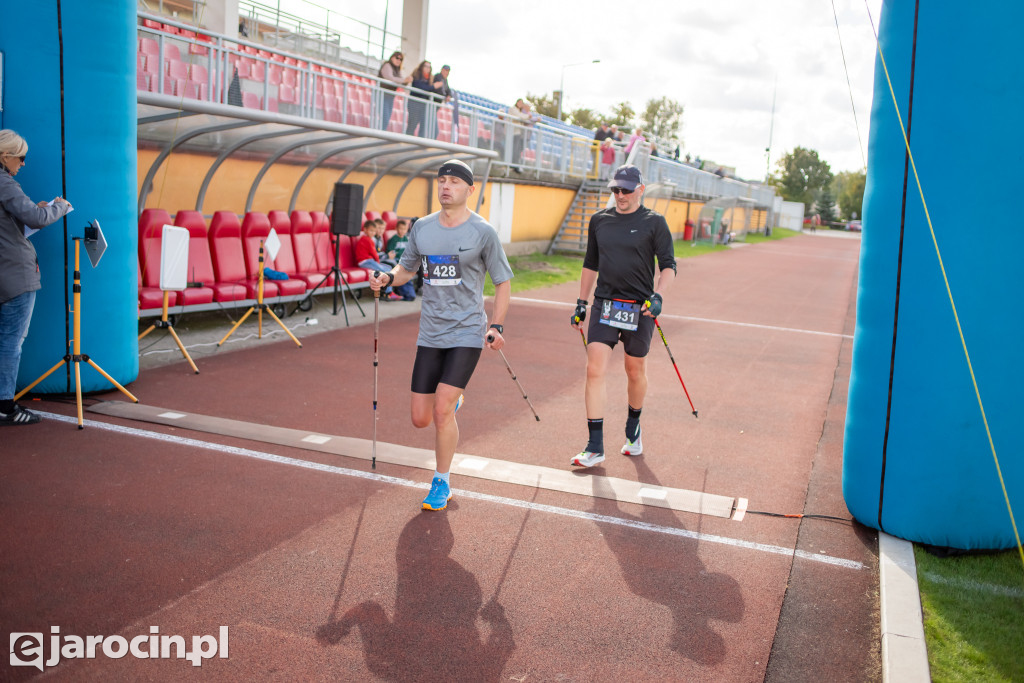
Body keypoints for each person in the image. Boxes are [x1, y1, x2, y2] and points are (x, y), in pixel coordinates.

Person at [369, 160, 513, 510]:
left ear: (469, 189)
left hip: (466, 331)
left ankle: (441, 482)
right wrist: (388, 278)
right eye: (441, 181)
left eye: (454, 182)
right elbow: (407, 269)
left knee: (441, 411)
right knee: (420, 418)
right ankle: (452, 400)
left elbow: (503, 281)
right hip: (431, 333)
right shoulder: (422, 228)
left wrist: (496, 325)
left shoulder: (483, 232)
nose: (446, 186)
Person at [569, 164, 676, 467]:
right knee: (594, 369)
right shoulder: (599, 221)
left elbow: (669, 265)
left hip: (639, 308)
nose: (620, 195)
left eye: (626, 190)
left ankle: (633, 425)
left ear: (640, 190)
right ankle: (594, 446)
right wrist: (581, 302)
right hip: (604, 305)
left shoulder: (655, 223)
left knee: (634, 371)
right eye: (615, 189)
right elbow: (590, 263)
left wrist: (658, 297)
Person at [0, 130, 73, 426]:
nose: (24, 163)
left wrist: (34, 211)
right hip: (14, 275)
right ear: (6, 156)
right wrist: (59, 207)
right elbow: (36, 219)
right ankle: (5, 406)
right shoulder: (5, 183)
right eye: (21, 157)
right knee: (10, 342)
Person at [356, 219, 401, 301]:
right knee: (383, 271)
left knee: (388, 269)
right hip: (365, 261)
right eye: (371, 231)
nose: (373, 233)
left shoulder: (371, 239)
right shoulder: (368, 239)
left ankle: (386, 291)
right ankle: (387, 293)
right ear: (365, 230)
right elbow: (374, 253)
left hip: (370, 260)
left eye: (374, 231)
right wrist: (378, 262)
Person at [378, 51, 412, 132]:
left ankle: (381, 134)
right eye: (397, 58)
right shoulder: (387, 65)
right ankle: (379, 134)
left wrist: (406, 81)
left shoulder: (397, 70)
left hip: (390, 96)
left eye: (401, 59)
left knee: (387, 117)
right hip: (383, 94)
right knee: (385, 117)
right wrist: (404, 80)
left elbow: (401, 82)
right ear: (392, 57)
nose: (399, 60)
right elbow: (390, 78)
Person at [406, 60, 439, 137]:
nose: (428, 69)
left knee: (424, 126)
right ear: (421, 67)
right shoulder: (417, 75)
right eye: (426, 66)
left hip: (424, 106)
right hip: (414, 104)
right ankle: (406, 141)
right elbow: (421, 87)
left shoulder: (430, 79)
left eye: (429, 67)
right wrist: (433, 86)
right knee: (412, 125)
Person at [507, 99, 536, 172]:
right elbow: (520, 116)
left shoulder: (518, 110)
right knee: (514, 149)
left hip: (517, 132)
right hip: (513, 132)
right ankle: (513, 165)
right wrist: (528, 116)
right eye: (519, 102)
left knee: (517, 150)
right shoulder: (513, 109)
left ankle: (515, 165)